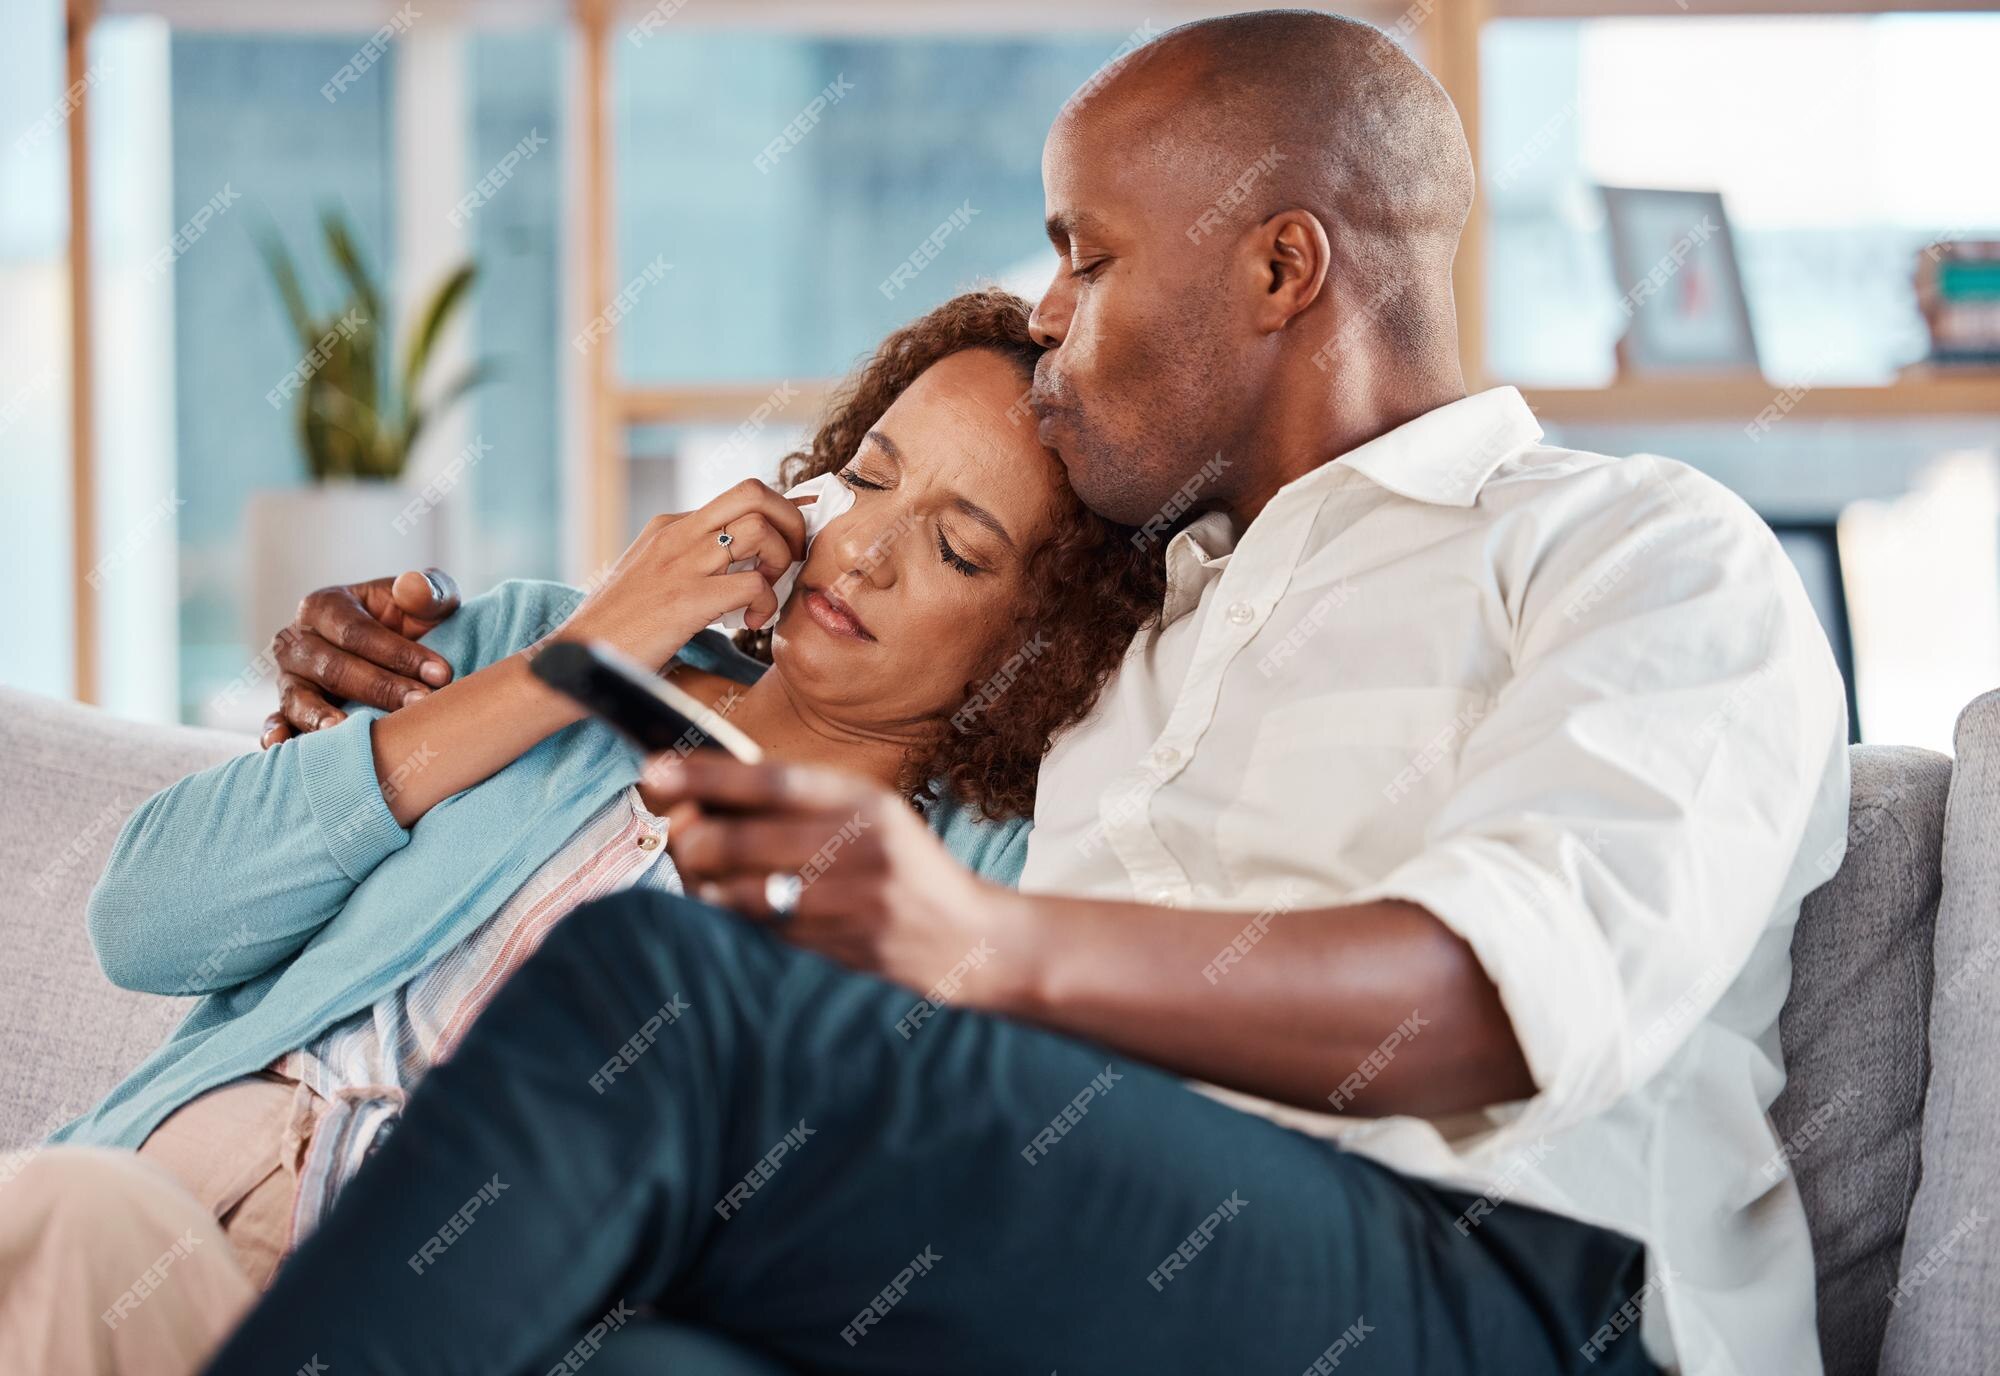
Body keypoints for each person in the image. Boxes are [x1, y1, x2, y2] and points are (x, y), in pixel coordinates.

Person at [213, 13, 1848, 1376]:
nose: (1047, 318)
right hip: (1108, 1265)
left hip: (1512, 1295)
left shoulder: (1641, 551)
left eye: (1089, 256)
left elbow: (1499, 993)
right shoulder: (1123, 641)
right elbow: (820, 646)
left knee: (666, 994)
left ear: (1285, 267)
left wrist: (972, 941)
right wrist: (403, 674)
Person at [1, 290, 1168, 1375]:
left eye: (956, 548)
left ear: (1042, 639)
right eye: (867, 479)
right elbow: (146, 922)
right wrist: (579, 657)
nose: (863, 548)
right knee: (68, 1215)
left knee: (63, 1217)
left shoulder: (957, 881)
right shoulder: (519, 635)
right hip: (157, 1200)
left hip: (428, 1312)